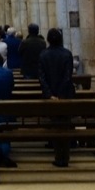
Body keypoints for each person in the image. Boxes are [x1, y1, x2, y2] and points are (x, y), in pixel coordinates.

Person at [38, 27, 76, 167]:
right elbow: (68, 76)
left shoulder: (43, 55)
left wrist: (50, 95)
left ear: (48, 40)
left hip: (51, 96)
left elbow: (42, 77)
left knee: (54, 123)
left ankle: (58, 154)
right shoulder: (67, 54)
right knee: (65, 123)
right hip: (65, 95)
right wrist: (61, 95)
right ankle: (64, 156)